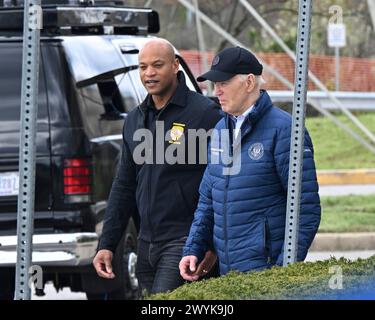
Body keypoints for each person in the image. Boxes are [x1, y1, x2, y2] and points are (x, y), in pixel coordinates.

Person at [179, 46, 321, 280]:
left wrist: (283, 272)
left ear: (249, 82)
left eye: (223, 83)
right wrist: (193, 248)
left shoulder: (286, 130)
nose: (217, 91)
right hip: (229, 275)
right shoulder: (219, 131)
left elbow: (306, 209)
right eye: (215, 85)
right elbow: (207, 201)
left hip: (267, 274)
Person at [92, 39, 222, 295]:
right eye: (143, 67)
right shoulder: (134, 119)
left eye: (157, 65)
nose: (149, 73)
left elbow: (223, 184)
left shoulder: (205, 114)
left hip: (185, 243)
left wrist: (211, 243)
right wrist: (106, 244)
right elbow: (124, 186)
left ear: (175, 66)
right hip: (146, 245)